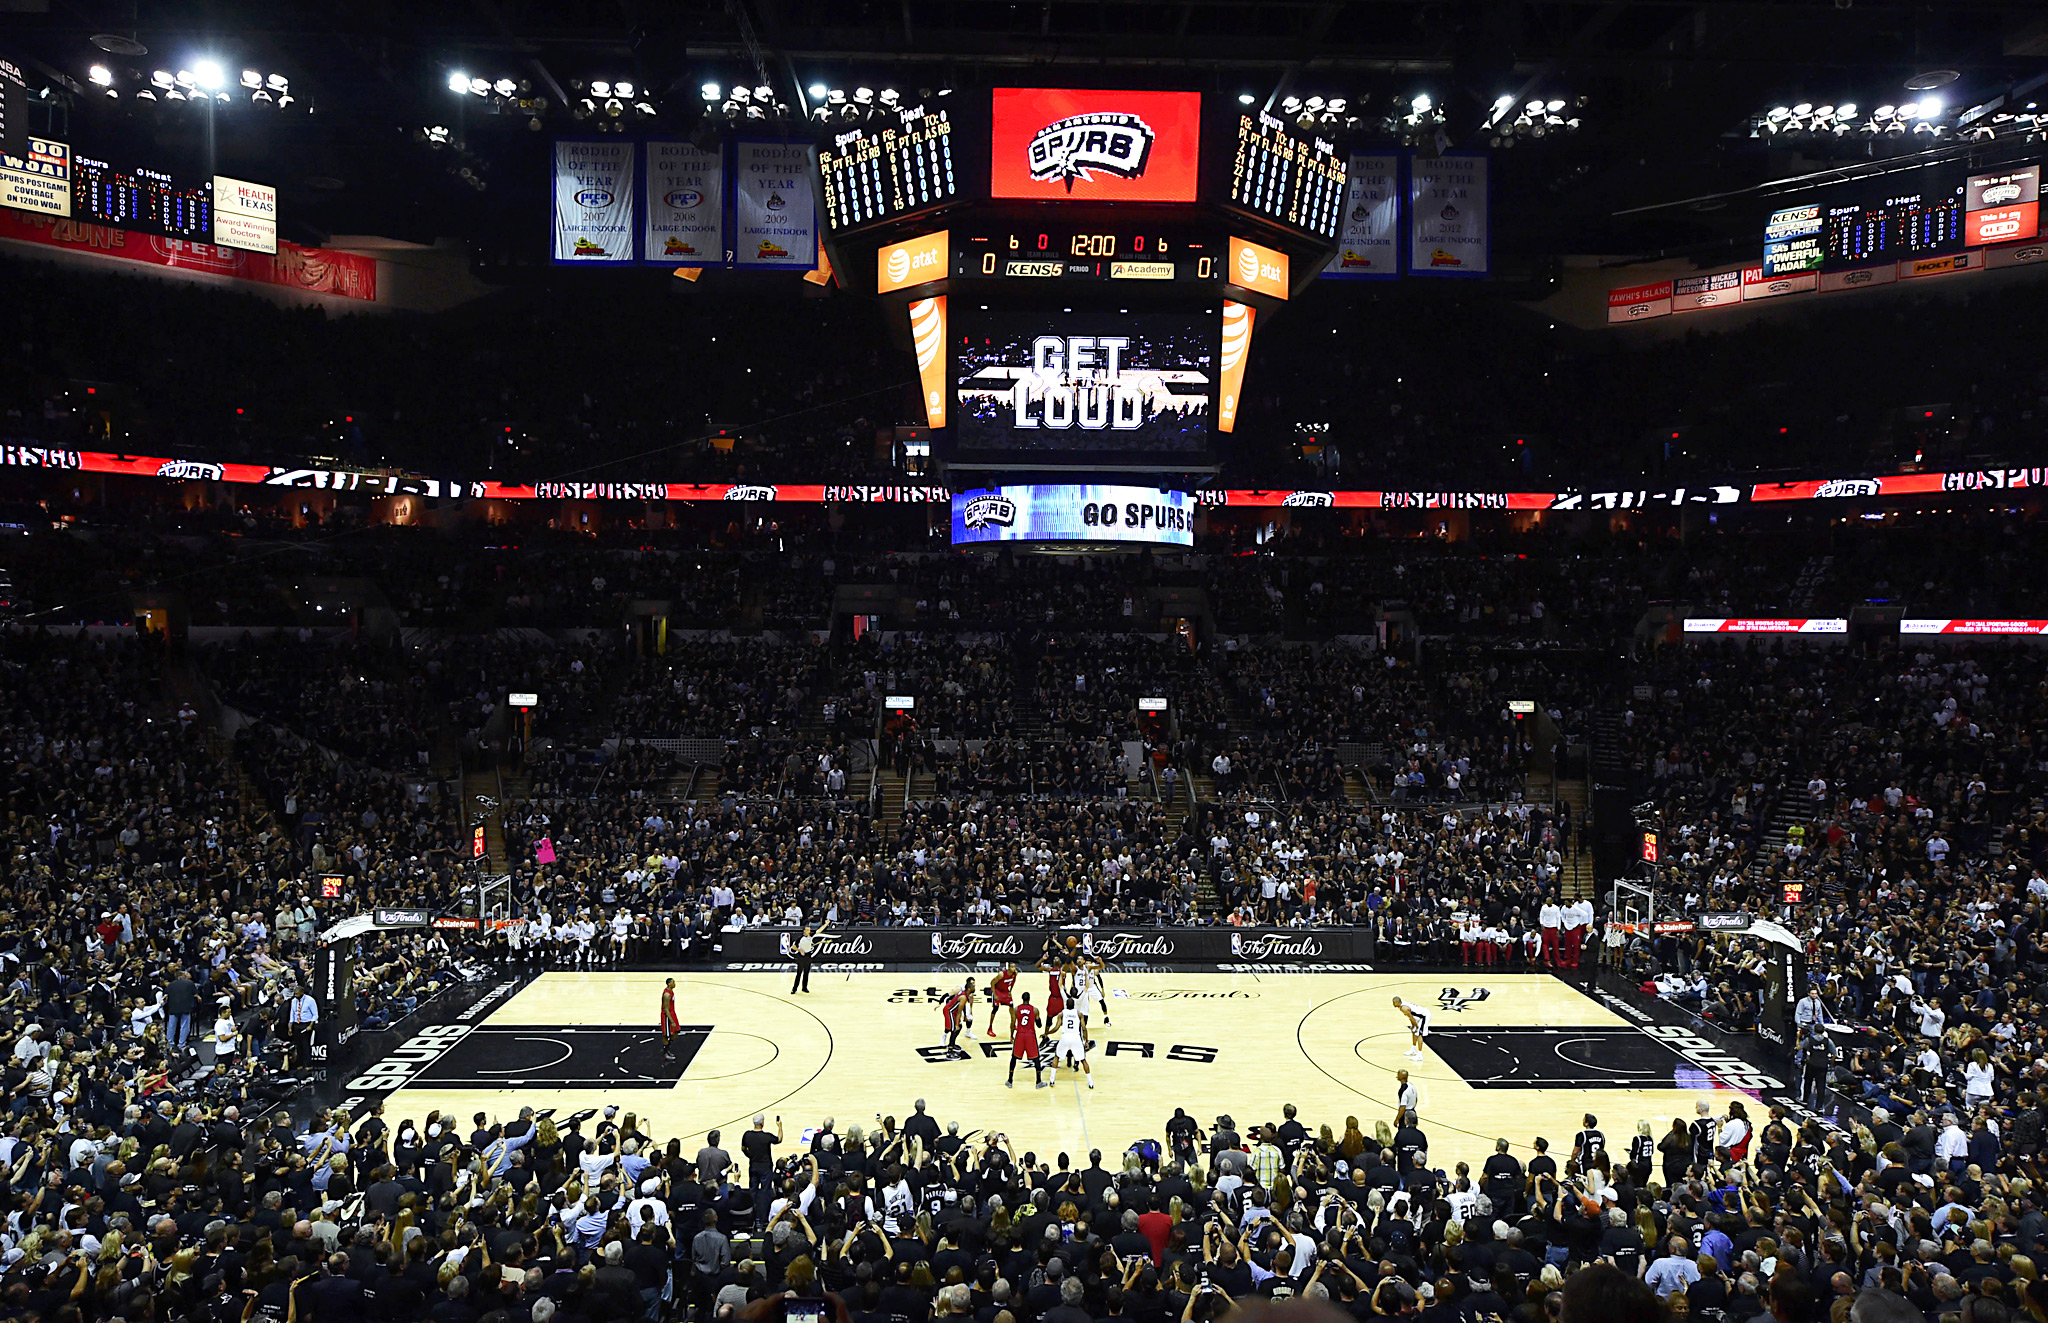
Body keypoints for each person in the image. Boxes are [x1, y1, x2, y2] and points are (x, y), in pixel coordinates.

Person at [1054, 993, 1092, 1089]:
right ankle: (1090, 1082)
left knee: (1057, 1057)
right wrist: (1086, 1041)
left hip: (1065, 1036)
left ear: (1066, 1005)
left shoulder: (1062, 1013)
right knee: (1083, 1060)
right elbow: (1084, 1028)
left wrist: (1047, 1033)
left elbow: (1056, 1028)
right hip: (1076, 1037)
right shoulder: (1079, 1013)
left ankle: (1051, 1080)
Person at [1007, 990, 1045, 1089]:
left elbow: (1012, 1024)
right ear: (1029, 999)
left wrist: (1011, 1035)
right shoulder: (1035, 1010)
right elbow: (1039, 1025)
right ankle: (1038, 1081)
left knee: (1014, 1058)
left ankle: (1010, 1080)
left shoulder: (1016, 1009)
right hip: (1030, 1035)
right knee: (1036, 1058)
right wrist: (1038, 1019)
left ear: (1022, 999)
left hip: (1020, 1034)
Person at [941, 978, 977, 1056]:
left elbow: (962, 1007)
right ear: (969, 988)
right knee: (955, 1028)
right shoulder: (964, 997)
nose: (975, 988)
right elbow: (959, 1012)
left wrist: (965, 1017)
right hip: (949, 1011)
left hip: (952, 1011)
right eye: (973, 987)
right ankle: (950, 1050)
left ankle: (952, 1044)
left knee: (959, 1027)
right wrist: (957, 1024)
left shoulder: (966, 995)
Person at [791, 919, 826, 994]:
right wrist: (800, 950)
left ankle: (804, 987)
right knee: (799, 973)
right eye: (807, 930)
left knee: (806, 972)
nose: (809, 931)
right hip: (801, 956)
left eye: (809, 930)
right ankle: (794, 988)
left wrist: (826, 924)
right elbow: (793, 946)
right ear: (804, 931)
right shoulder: (800, 938)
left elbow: (819, 931)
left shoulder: (811, 936)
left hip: (808, 955)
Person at [1393, 995, 1430, 1060]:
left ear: (1397, 1002)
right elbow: (1410, 1017)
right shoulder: (1402, 1005)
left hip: (1424, 1016)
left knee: (1419, 1034)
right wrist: (1413, 1026)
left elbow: (1411, 1017)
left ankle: (1420, 1055)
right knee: (1414, 1030)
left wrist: (1415, 1025)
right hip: (1419, 1017)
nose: (1393, 1004)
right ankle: (1413, 1050)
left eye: (1394, 1002)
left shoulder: (1404, 1008)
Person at [988, 962, 1018, 1038]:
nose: (1013, 968)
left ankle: (1013, 1025)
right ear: (1008, 968)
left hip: (1005, 992)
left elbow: (1013, 982)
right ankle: (990, 1028)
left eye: (1014, 967)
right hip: (997, 991)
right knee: (995, 1008)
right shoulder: (1001, 974)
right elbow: (992, 982)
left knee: (1012, 1007)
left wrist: (1010, 991)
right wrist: (994, 994)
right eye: (1012, 967)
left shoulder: (1015, 974)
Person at [660, 977, 682, 1060]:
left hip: (672, 1013)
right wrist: (671, 1020)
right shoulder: (667, 995)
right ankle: (665, 1053)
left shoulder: (671, 992)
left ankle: (667, 1048)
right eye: (673, 982)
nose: (675, 983)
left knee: (677, 1030)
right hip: (667, 1016)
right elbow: (666, 1009)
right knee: (666, 1035)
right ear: (669, 984)